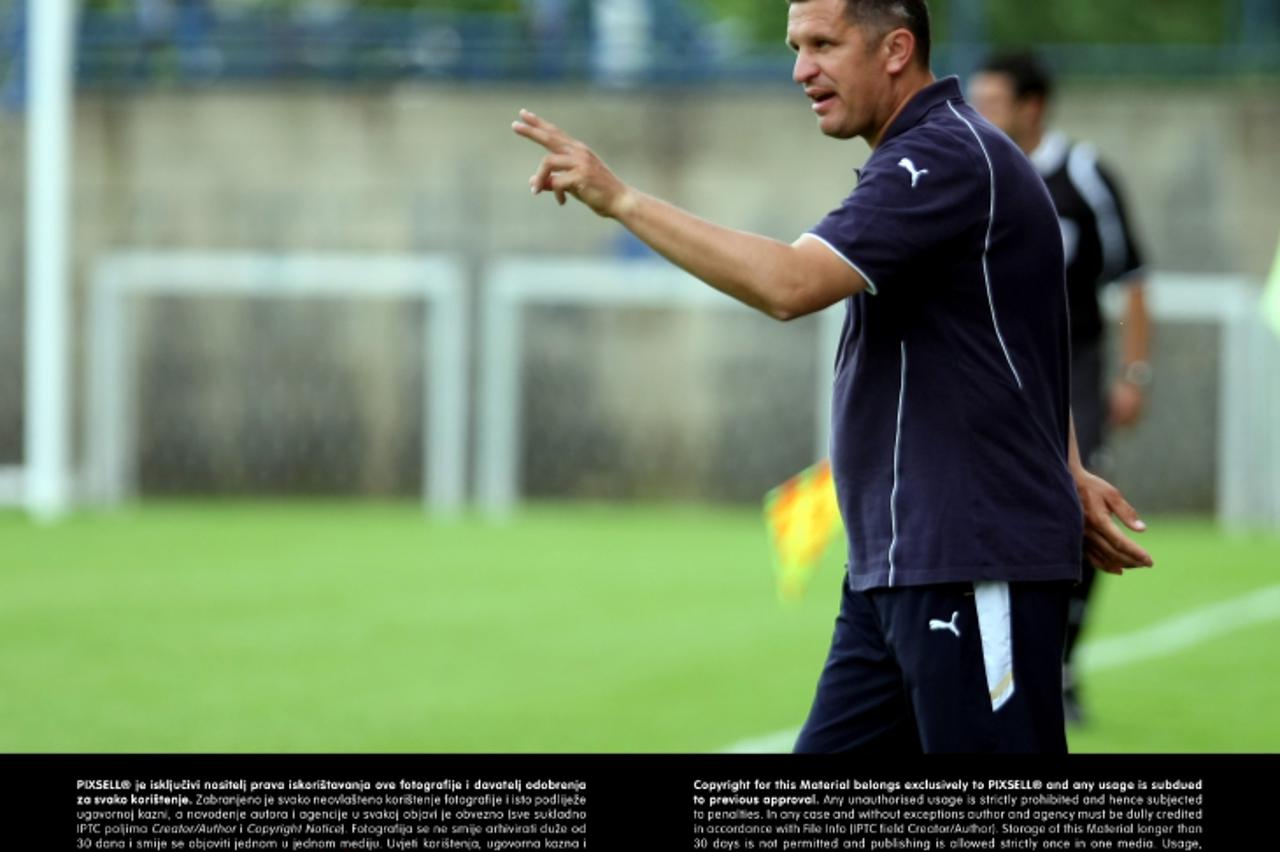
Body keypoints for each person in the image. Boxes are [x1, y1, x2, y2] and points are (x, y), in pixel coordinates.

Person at [513, 0, 1152, 753]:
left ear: (895, 49)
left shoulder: (940, 157)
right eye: (794, 46)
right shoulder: (934, 155)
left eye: (823, 43)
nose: (800, 69)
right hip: (897, 564)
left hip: (970, 560)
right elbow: (1021, 326)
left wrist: (622, 200)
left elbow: (788, 285)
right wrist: (1065, 466)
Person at [969, 52, 1153, 725]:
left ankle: (1059, 663)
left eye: (994, 99)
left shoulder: (1082, 176)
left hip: (1072, 368)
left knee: (1076, 511)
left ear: (1033, 106)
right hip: (992, 371)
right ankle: (999, 667)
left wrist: (1135, 373)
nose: (981, 111)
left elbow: (1131, 278)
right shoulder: (972, 171)